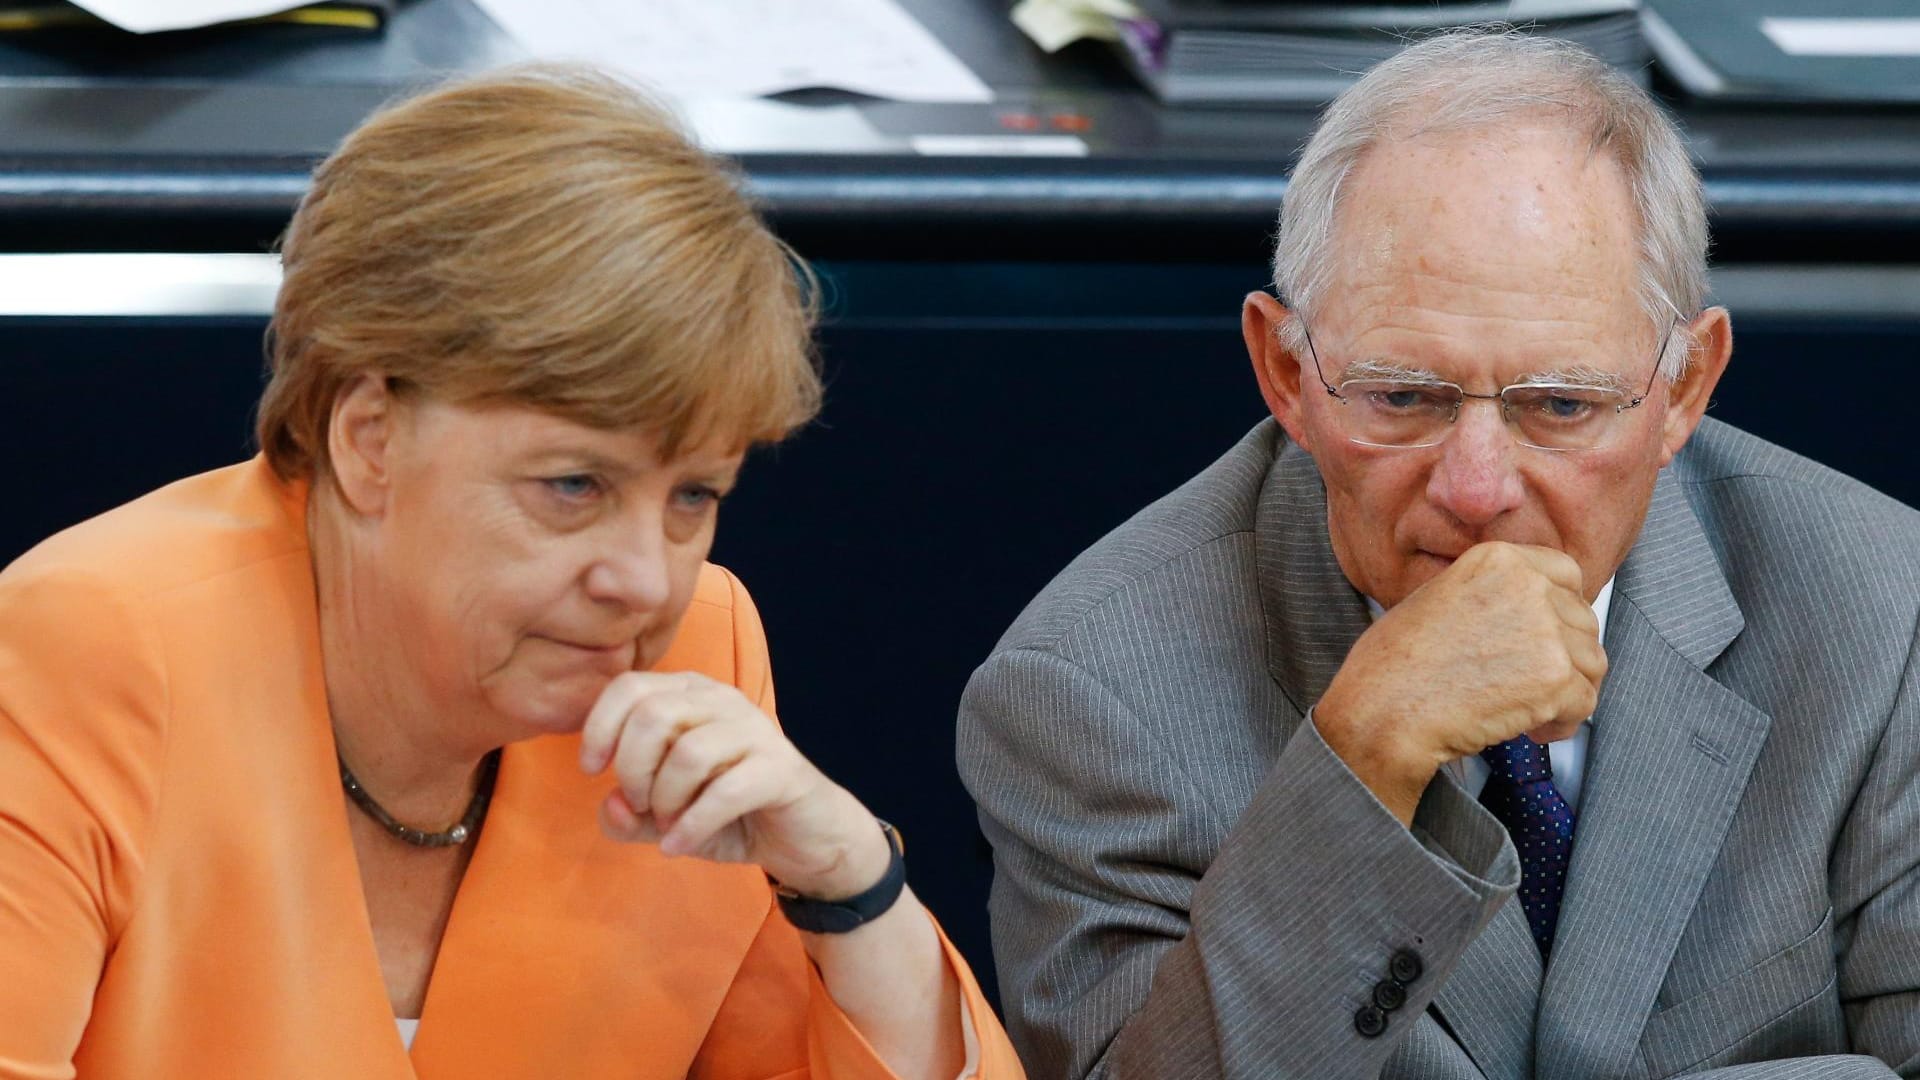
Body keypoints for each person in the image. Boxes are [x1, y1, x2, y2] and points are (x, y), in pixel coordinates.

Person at [0, 66, 1022, 1080]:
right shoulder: (86, 653)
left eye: (692, 498)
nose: (643, 581)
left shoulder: (694, 666)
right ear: (369, 440)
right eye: (574, 485)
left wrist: (850, 881)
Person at [958, 29, 1920, 1080]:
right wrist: (1359, 763)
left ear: (1685, 388)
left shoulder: (1880, 611)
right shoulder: (1091, 693)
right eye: (1402, 397)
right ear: (1286, 374)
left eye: (1560, 405)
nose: (1475, 487)